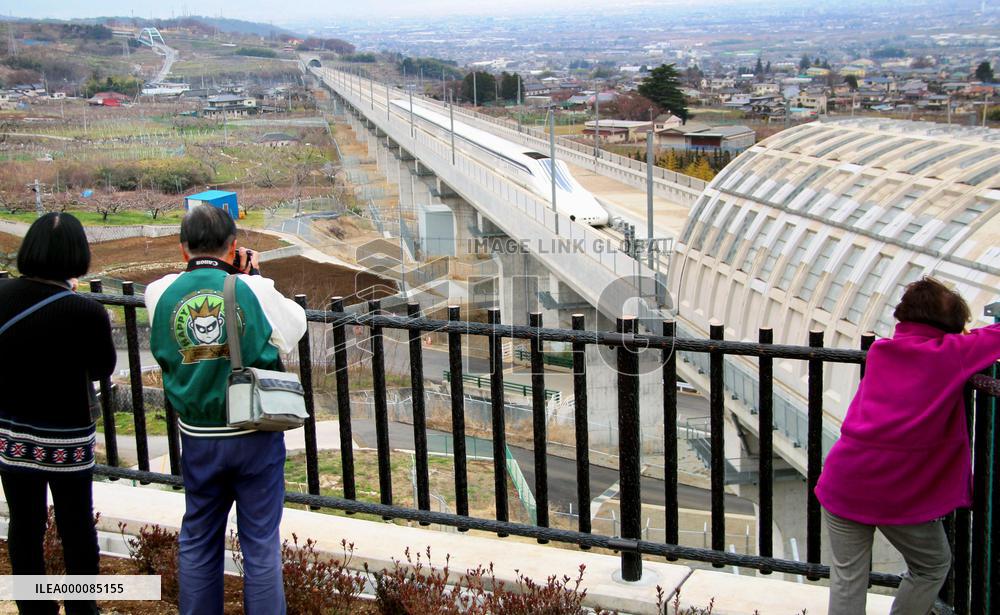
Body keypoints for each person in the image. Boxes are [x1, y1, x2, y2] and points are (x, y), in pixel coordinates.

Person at [146, 205, 306, 615]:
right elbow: (294, 328)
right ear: (234, 247)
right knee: (260, 547)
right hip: (254, 432)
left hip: (198, 437)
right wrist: (254, 278)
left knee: (199, 538)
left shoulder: (160, 293)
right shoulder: (253, 291)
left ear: (183, 249)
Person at [816, 277, 1000, 615]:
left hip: (842, 479)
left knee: (847, 579)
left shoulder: (881, 350)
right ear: (950, 325)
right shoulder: (950, 354)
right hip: (897, 489)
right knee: (932, 565)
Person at [0, 213, 115, 615]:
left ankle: (34, 607)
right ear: (76, 255)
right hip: (65, 437)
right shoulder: (85, 312)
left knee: (24, 525)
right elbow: (102, 368)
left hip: (12, 433)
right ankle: (83, 608)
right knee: (76, 528)